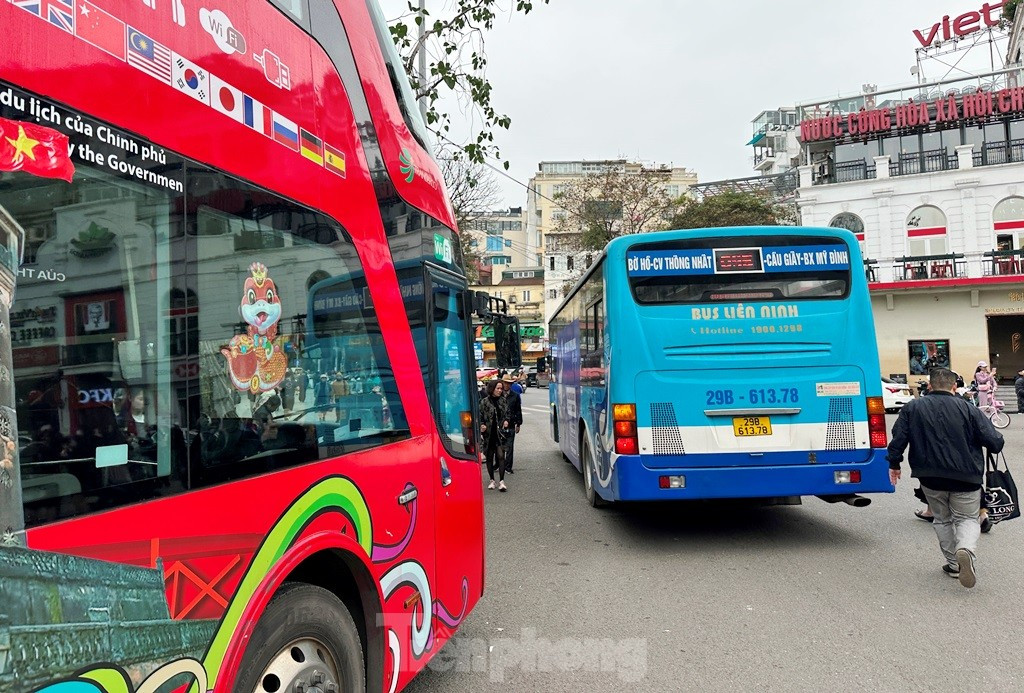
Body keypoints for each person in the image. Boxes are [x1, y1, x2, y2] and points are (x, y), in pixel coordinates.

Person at [887, 367, 1004, 588]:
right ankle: (965, 549)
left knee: (942, 519)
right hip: (966, 476)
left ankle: (953, 564)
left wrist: (894, 464)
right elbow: (995, 443)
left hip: (929, 476)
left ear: (930, 386)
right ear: (954, 386)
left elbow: (898, 439)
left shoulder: (913, 407)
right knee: (967, 518)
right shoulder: (969, 409)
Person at [479, 379, 511, 491]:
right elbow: (480, 415)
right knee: (489, 457)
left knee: (501, 456)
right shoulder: (484, 402)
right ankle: (492, 480)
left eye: (501, 388)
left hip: (500, 433)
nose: (500, 390)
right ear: (492, 389)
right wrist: (482, 425)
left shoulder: (503, 401)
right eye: (498, 388)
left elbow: (508, 413)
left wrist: (506, 420)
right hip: (488, 434)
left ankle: (502, 481)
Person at [502, 374, 523, 474]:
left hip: (511, 424)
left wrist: (518, 424)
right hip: (499, 424)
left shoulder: (515, 395)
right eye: (505, 383)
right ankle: (500, 465)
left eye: (509, 383)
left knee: (510, 447)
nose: (507, 385)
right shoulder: (498, 394)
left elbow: (518, 410)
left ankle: (508, 467)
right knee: (500, 447)